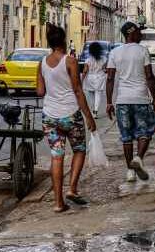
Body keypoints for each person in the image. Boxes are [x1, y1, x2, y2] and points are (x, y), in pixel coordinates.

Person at [37, 24, 97, 213]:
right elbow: (78, 91)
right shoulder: (70, 61)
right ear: (63, 41)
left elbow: (40, 91)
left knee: (57, 156)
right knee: (79, 149)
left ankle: (58, 203)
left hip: (50, 116)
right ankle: (71, 189)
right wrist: (89, 117)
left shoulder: (42, 62)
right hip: (70, 115)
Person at [107, 22, 155, 183]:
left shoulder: (115, 53)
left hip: (123, 101)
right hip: (141, 100)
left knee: (126, 137)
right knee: (146, 132)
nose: (140, 34)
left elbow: (110, 78)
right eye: (138, 32)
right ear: (131, 33)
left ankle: (130, 172)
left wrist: (109, 102)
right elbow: (149, 76)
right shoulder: (142, 51)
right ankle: (138, 158)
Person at [82, 42, 107, 118]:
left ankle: (93, 109)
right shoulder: (104, 59)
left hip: (90, 78)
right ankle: (95, 111)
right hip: (100, 77)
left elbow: (85, 71)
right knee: (98, 94)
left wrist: (81, 80)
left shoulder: (88, 60)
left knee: (91, 96)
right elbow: (104, 69)